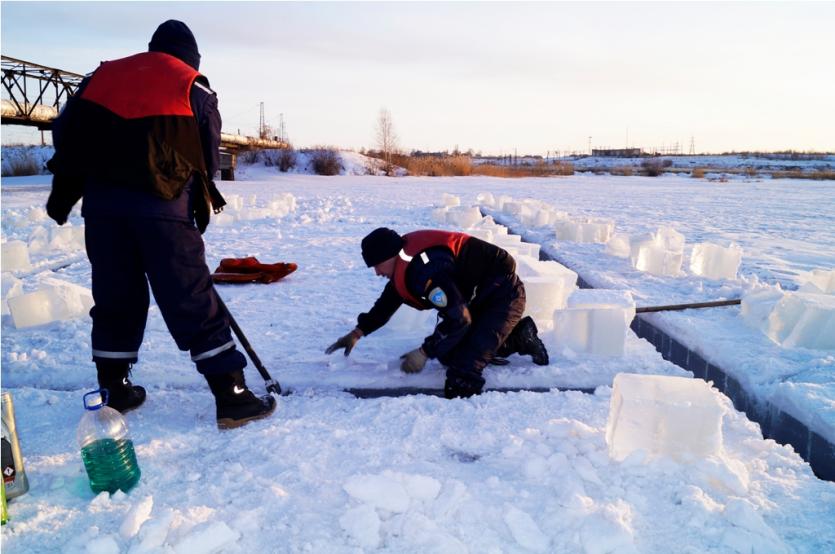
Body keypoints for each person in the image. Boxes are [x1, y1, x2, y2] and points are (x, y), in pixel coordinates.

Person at [45, 20, 275, 429]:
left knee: (116, 297)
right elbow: (206, 154)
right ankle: (232, 395)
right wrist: (195, 195)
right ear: (190, 57)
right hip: (163, 210)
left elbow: (65, 130)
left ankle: (115, 390)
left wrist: (85, 180)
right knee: (189, 295)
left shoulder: (100, 76)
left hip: (102, 211)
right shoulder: (193, 85)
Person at [326, 227, 549, 398]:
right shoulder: (405, 264)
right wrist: (357, 333)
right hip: (478, 295)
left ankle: (465, 428)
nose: (376, 272)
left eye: (377, 265)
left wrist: (423, 352)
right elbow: (385, 306)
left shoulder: (427, 270)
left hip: (503, 294)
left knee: (462, 374)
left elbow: (459, 318)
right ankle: (519, 337)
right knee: (447, 353)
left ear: (390, 256)